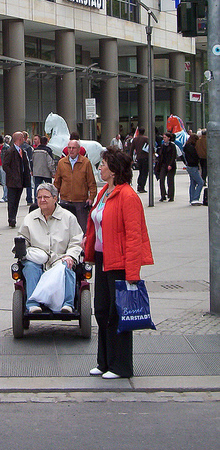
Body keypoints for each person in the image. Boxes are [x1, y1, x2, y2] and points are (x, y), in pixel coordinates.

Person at [84, 146, 154, 379]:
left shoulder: (128, 195)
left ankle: (121, 365)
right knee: (102, 310)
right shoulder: (105, 191)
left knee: (119, 313)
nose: (100, 167)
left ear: (113, 169)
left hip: (120, 262)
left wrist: (133, 273)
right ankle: (104, 362)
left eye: (103, 164)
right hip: (103, 258)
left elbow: (135, 236)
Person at [17, 183, 83, 314]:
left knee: (67, 265)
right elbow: (22, 239)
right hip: (38, 259)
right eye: (39, 197)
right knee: (29, 266)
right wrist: (21, 249)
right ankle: (32, 303)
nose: (42, 200)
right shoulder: (30, 218)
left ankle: (68, 304)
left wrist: (70, 255)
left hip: (60, 258)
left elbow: (77, 241)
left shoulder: (68, 217)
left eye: (46, 197)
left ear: (55, 198)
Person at [53, 139, 97, 233]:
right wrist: (54, 196)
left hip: (80, 201)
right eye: (69, 148)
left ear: (78, 149)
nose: (71, 150)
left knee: (82, 229)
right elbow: (57, 182)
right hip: (65, 201)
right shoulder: (62, 163)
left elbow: (91, 183)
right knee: (65, 228)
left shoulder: (86, 162)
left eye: (73, 148)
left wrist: (91, 197)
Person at [2, 131, 32, 228]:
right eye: (23, 138)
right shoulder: (10, 151)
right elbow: (5, 165)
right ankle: (11, 219)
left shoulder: (22, 151)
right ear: (20, 139)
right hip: (13, 181)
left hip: (20, 181)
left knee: (17, 200)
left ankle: (13, 217)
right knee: (12, 201)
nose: (24, 140)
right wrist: (13, 175)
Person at [31, 137, 56, 202]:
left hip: (37, 172)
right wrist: (53, 172)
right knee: (49, 187)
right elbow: (50, 162)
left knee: (37, 187)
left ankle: (36, 201)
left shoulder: (35, 150)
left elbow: (32, 161)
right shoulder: (48, 150)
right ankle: (49, 199)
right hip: (46, 172)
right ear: (46, 142)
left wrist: (32, 170)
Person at [156, 131, 177, 202]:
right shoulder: (162, 146)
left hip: (171, 165)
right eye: (163, 137)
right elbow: (160, 155)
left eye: (165, 137)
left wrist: (170, 164)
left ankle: (171, 196)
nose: (164, 139)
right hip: (163, 164)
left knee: (170, 181)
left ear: (169, 138)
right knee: (161, 179)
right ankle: (163, 195)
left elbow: (173, 156)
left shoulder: (172, 146)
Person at [183, 134, 204, 206]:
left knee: (193, 183)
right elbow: (195, 156)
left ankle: (192, 199)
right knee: (200, 182)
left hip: (189, 166)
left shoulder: (187, 146)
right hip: (193, 166)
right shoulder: (192, 147)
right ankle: (195, 198)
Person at [130, 127, 149, 193]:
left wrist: (131, 159)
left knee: (140, 172)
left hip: (139, 158)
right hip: (145, 157)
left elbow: (131, 150)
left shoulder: (135, 139)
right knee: (145, 172)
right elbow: (151, 147)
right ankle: (142, 186)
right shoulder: (146, 139)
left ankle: (139, 185)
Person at [0, 134, 9, 203]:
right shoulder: (0, 147)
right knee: (3, 182)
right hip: (0, 165)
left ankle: (5, 196)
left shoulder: (6, 147)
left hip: (3, 166)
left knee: (5, 182)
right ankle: (6, 196)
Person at [20, 132, 34, 204]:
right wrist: (31, 169)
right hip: (27, 168)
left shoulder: (18, 147)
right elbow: (30, 159)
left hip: (19, 168)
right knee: (29, 184)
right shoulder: (28, 147)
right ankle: (29, 199)